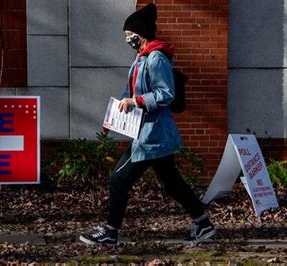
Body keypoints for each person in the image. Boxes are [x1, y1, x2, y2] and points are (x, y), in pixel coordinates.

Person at [79, 3, 215, 245]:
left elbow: (166, 94)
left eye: (129, 35)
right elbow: (128, 93)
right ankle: (203, 223)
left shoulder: (156, 59)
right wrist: (114, 116)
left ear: (139, 34)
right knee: (172, 183)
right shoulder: (140, 59)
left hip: (151, 135)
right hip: (148, 132)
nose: (127, 39)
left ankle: (111, 232)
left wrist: (136, 100)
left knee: (119, 179)